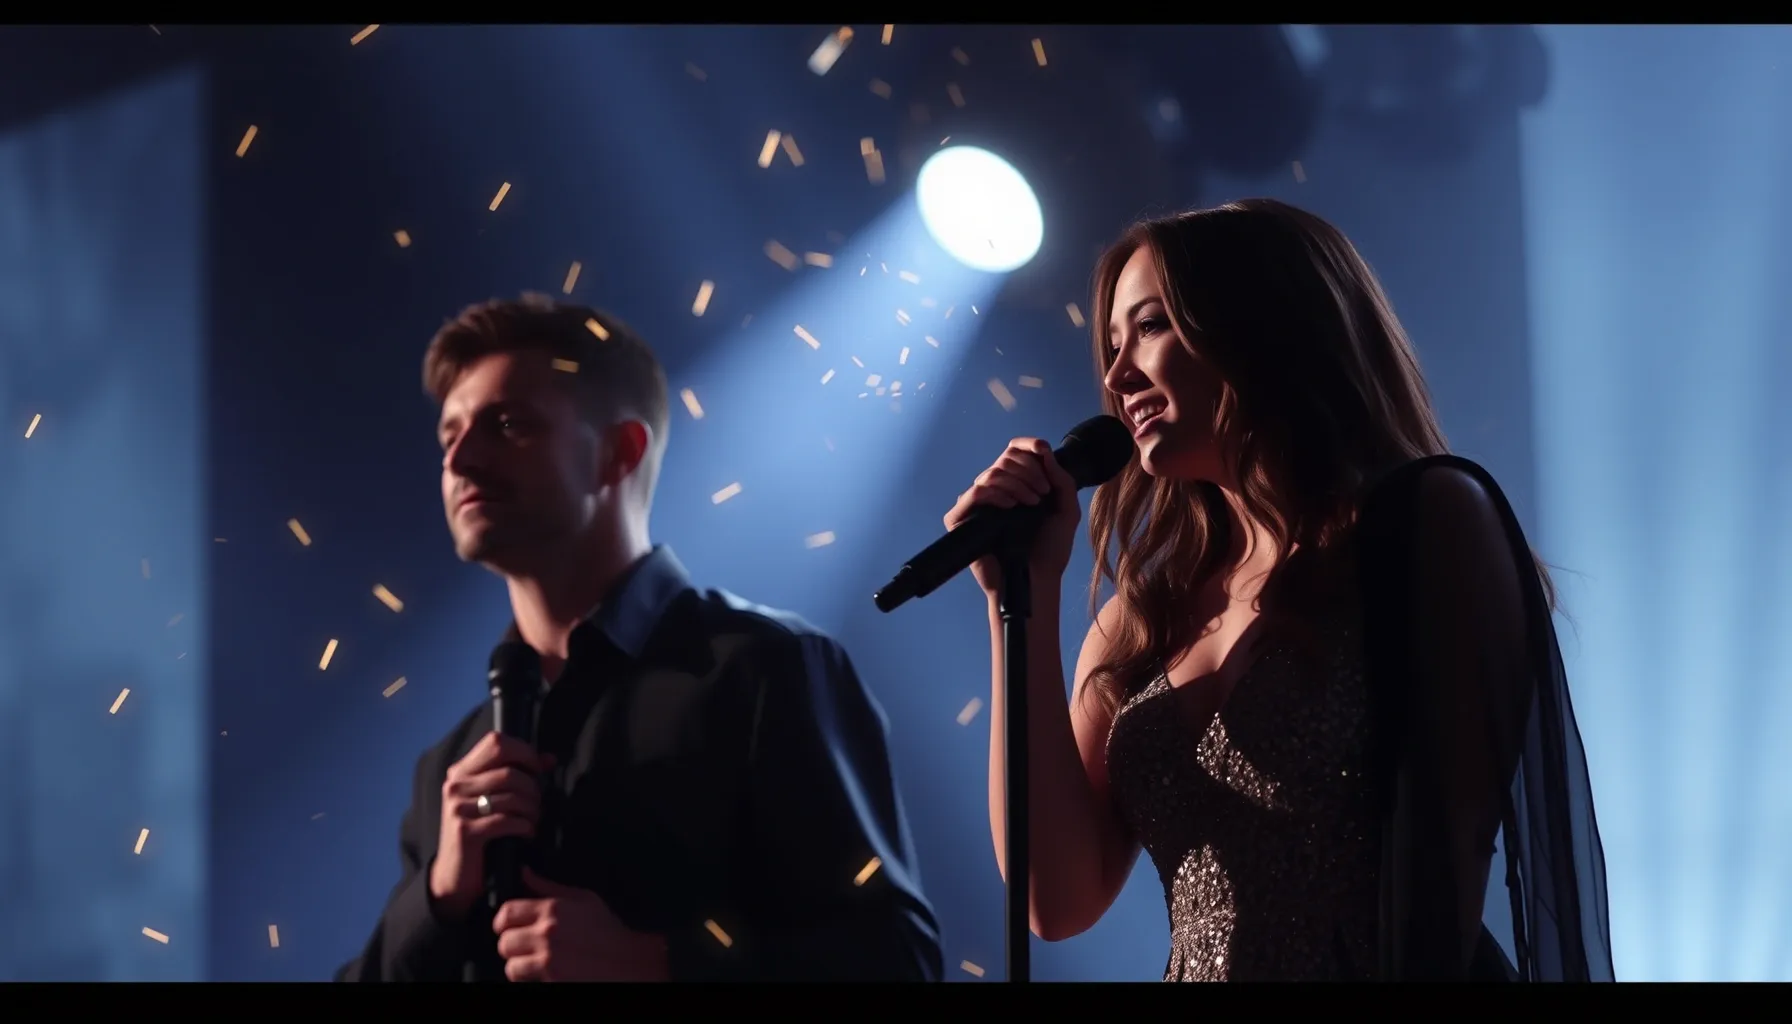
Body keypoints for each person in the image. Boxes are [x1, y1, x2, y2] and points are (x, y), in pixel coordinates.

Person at [946, 199, 1614, 982]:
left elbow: (1448, 859)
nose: (1117, 376)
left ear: (1261, 324)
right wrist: (1020, 598)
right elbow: (1055, 901)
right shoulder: (1140, 623)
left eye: (1150, 326)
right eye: (1112, 344)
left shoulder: (1427, 523)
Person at [336, 294, 943, 982]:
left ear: (618, 452)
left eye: (507, 424)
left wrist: (658, 966)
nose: (460, 459)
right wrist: (441, 895)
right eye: (449, 435)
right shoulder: (449, 767)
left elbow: (899, 962)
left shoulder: (764, 671)